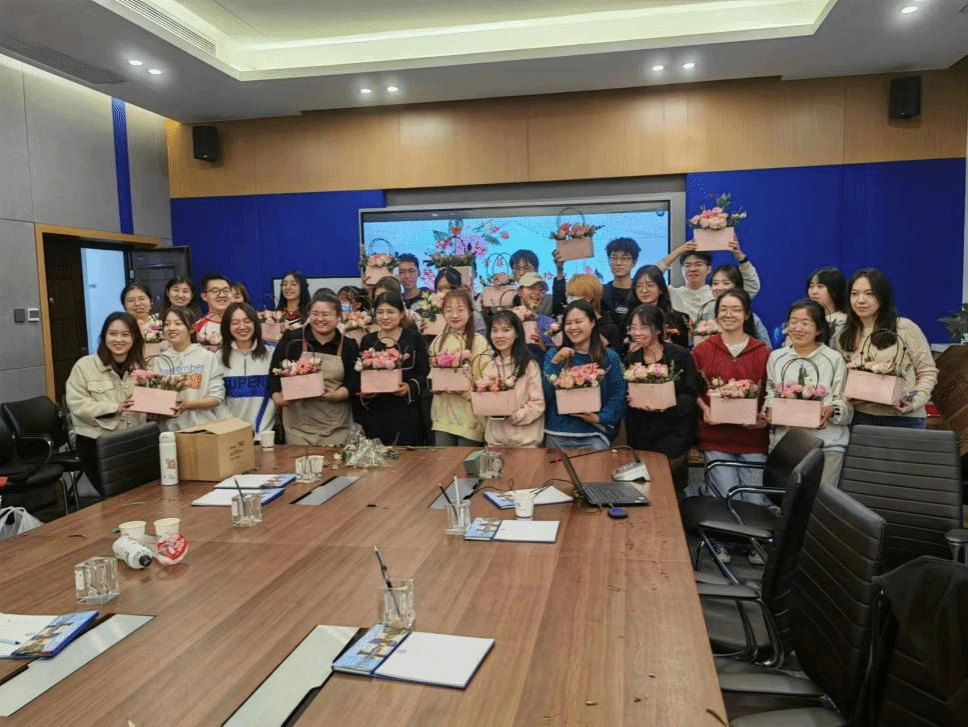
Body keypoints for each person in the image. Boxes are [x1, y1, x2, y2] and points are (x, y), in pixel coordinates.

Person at [692, 289, 770, 565]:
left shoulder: (763, 352)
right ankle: (720, 541)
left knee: (753, 499)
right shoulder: (702, 350)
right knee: (724, 494)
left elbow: (770, 394)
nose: (729, 314)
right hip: (715, 436)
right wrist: (704, 409)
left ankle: (754, 542)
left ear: (746, 315)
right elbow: (693, 391)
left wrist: (764, 416)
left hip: (753, 438)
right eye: (723, 309)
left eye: (736, 309)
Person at [835, 268, 937, 429]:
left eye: (869, 294)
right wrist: (847, 396)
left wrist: (914, 401)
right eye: (854, 294)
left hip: (904, 419)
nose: (860, 300)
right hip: (861, 418)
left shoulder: (904, 328)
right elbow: (840, 378)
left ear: (883, 297)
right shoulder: (843, 335)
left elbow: (927, 371)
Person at [764, 299, 850, 487]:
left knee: (821, 500)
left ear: (819, 329)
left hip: (826, 445)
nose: (797, 328)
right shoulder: (776, 358)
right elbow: (770, 394)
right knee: (785, 499)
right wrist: (769, 410)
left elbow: (846, 405)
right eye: (793, 322)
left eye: (805, 323)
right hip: (786, 445)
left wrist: (831, 410)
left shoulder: (834, 359)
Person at [65, 312, 147, 489]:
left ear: (134, 338)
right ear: (104, 336)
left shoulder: (143, 367)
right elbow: (78, 405)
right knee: (112, 495)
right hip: (96, 442)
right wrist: (115, 407)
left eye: (125, 334)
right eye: (113, 334)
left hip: (134, 439)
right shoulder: (84, 366)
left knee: (139, 494)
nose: (119, 340)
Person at [268, 292, 360, 445]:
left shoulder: (349, 345)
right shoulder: (292, 339)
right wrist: (279, 399)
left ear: (338, 317)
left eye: (326, 314)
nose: (320, 319)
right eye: (315, 314)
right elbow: (273, 375)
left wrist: (337, 395)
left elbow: (354, 382)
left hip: (336, 425)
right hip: (298, 428)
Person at [624, 304, 697, 493]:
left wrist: (668, 406)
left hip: (674, 430)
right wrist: (631, 399)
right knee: (644, 488)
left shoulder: (679, 355)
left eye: (643, 327)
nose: (636, 333)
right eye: (633, 327)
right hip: (643, 431)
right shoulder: (632, 359)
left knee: (667, 487)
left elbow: (690, 394)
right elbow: (626, 395)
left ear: (657, 329)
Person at [543, 300, 626, 449]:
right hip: (557, 434)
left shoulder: (610, 357)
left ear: (592, 322)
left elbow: (618, 395)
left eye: (579, 322)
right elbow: (545, 395)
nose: (573, 327)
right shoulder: (554, 354)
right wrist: (555, 363)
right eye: (568, 323)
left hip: (595, 435)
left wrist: (599, 417)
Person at [356, 291, 429, 446]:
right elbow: (360, 375)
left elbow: (424, 373)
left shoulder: (413, 338)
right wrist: (367, 393)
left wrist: (409, 387)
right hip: (376, 411)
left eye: (390, 312)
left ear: (401, 314)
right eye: (380, 312)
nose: (385, 317)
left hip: (407, 412)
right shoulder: (368, 340)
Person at [428, 289, 490, 446]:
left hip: (470, 416)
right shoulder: (438, 341)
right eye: (449, 311)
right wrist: (437, 385)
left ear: (470, 313)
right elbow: (432, 375)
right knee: (443, 460)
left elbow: (486, 379)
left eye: (460, 310)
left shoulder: (479, 341)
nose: (454, 315)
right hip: (443, 416)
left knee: (467, 460)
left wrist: (466, 388)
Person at [656, 236, 760, 322]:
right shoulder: (672, 293)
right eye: (687, 265)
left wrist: (740, 256)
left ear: (709, 269)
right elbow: (652, 276)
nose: (693, 269)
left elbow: (752, 286)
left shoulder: (719, 293)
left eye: (698, 264)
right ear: (682, 269)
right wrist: (677, 252)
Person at [479, 310, 545, 447]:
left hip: (525, 444)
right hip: (495, 442)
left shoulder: (529, 365)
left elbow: (538, 404)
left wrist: (512, 416)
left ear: (517, 334)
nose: (499, 335)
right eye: (494, 331)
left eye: (506, 330)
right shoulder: (490, 366)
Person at [153, 306, 224, 431]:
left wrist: (188, 405)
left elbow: (216, 398)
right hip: (170, 432)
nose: (171, 328)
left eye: (178, 323)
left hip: (205, 429)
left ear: (191, 328)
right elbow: (157, 399)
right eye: (167, 324)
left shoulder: (207, 357)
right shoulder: (160, 360)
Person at [218, 302, 276, 436]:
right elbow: (218, 400)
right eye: (235, 323)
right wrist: (234, 427)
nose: (242, 327)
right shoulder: (218, 357)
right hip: (231, 435)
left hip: (266, 435)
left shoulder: (272, 353)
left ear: (255, 323)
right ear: (227, 326)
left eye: (247, 321)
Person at [695, 263, 771, 347]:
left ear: (737, 286)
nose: (719, 288)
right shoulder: (705, 316)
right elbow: (697, 349)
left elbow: (766, 348)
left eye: (726, 283)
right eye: (715, 283)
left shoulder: (750, 318)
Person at [625, 265, 689, 348]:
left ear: (661, 289)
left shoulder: (679, 318)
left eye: (650, 285)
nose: (644, 290)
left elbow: (683, 349)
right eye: (639, 286)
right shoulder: (628, 317)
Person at [556, 273, 622, 350]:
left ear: (588, 297)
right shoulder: (566, 323)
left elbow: (614, 355)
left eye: (573, 296)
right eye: (568, 296)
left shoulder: (610, 328)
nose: (569, 300)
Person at [602, 237, 640, 328]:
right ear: (609, 261)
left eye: (625, 258)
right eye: (614, 258)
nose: (618, 263)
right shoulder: (601, 292)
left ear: (634, 262)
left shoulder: (640, 292)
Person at [806, 266, 848, 342]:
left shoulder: (846, 322)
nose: (814, 292)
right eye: (811, 286)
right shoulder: (802, 318)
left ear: (835, 290)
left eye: (820, 286)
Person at [195, 272, 232, 348]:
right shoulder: (197, 328)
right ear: (204, 296)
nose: (222, 295)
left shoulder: (243, 323)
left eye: (226, 290)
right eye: (215, 291)